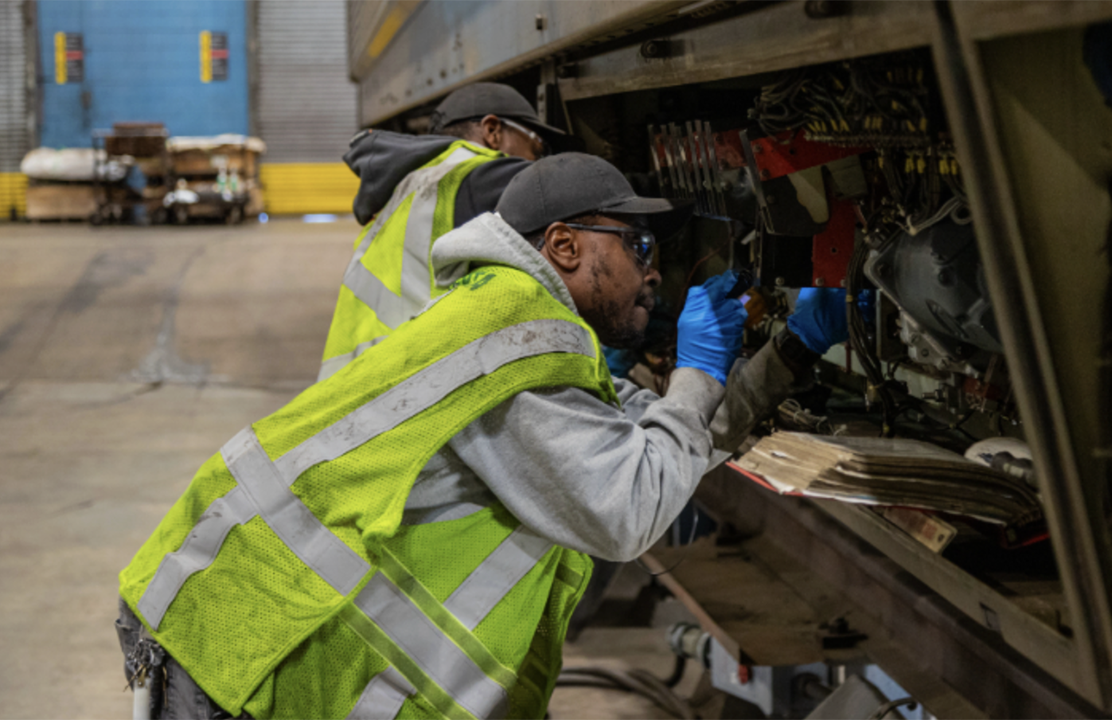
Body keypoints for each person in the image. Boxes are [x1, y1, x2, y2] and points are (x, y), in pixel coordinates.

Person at [115, 153, 850, 719]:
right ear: (563, 246)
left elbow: (661, 446)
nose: (653, 272)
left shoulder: (515, 323)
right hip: (255, 651)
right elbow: (628, 505)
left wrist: (788, 354)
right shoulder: (517, 345)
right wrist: (692, 369)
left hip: (250, 634)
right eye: (637, 244)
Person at [321, 82, 563, 381]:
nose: (537, 161)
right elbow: (563, 187)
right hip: (399, 380)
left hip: (359, 376)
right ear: (492, 131)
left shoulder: (416, 182)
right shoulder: (473, 172)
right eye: (538, 147)